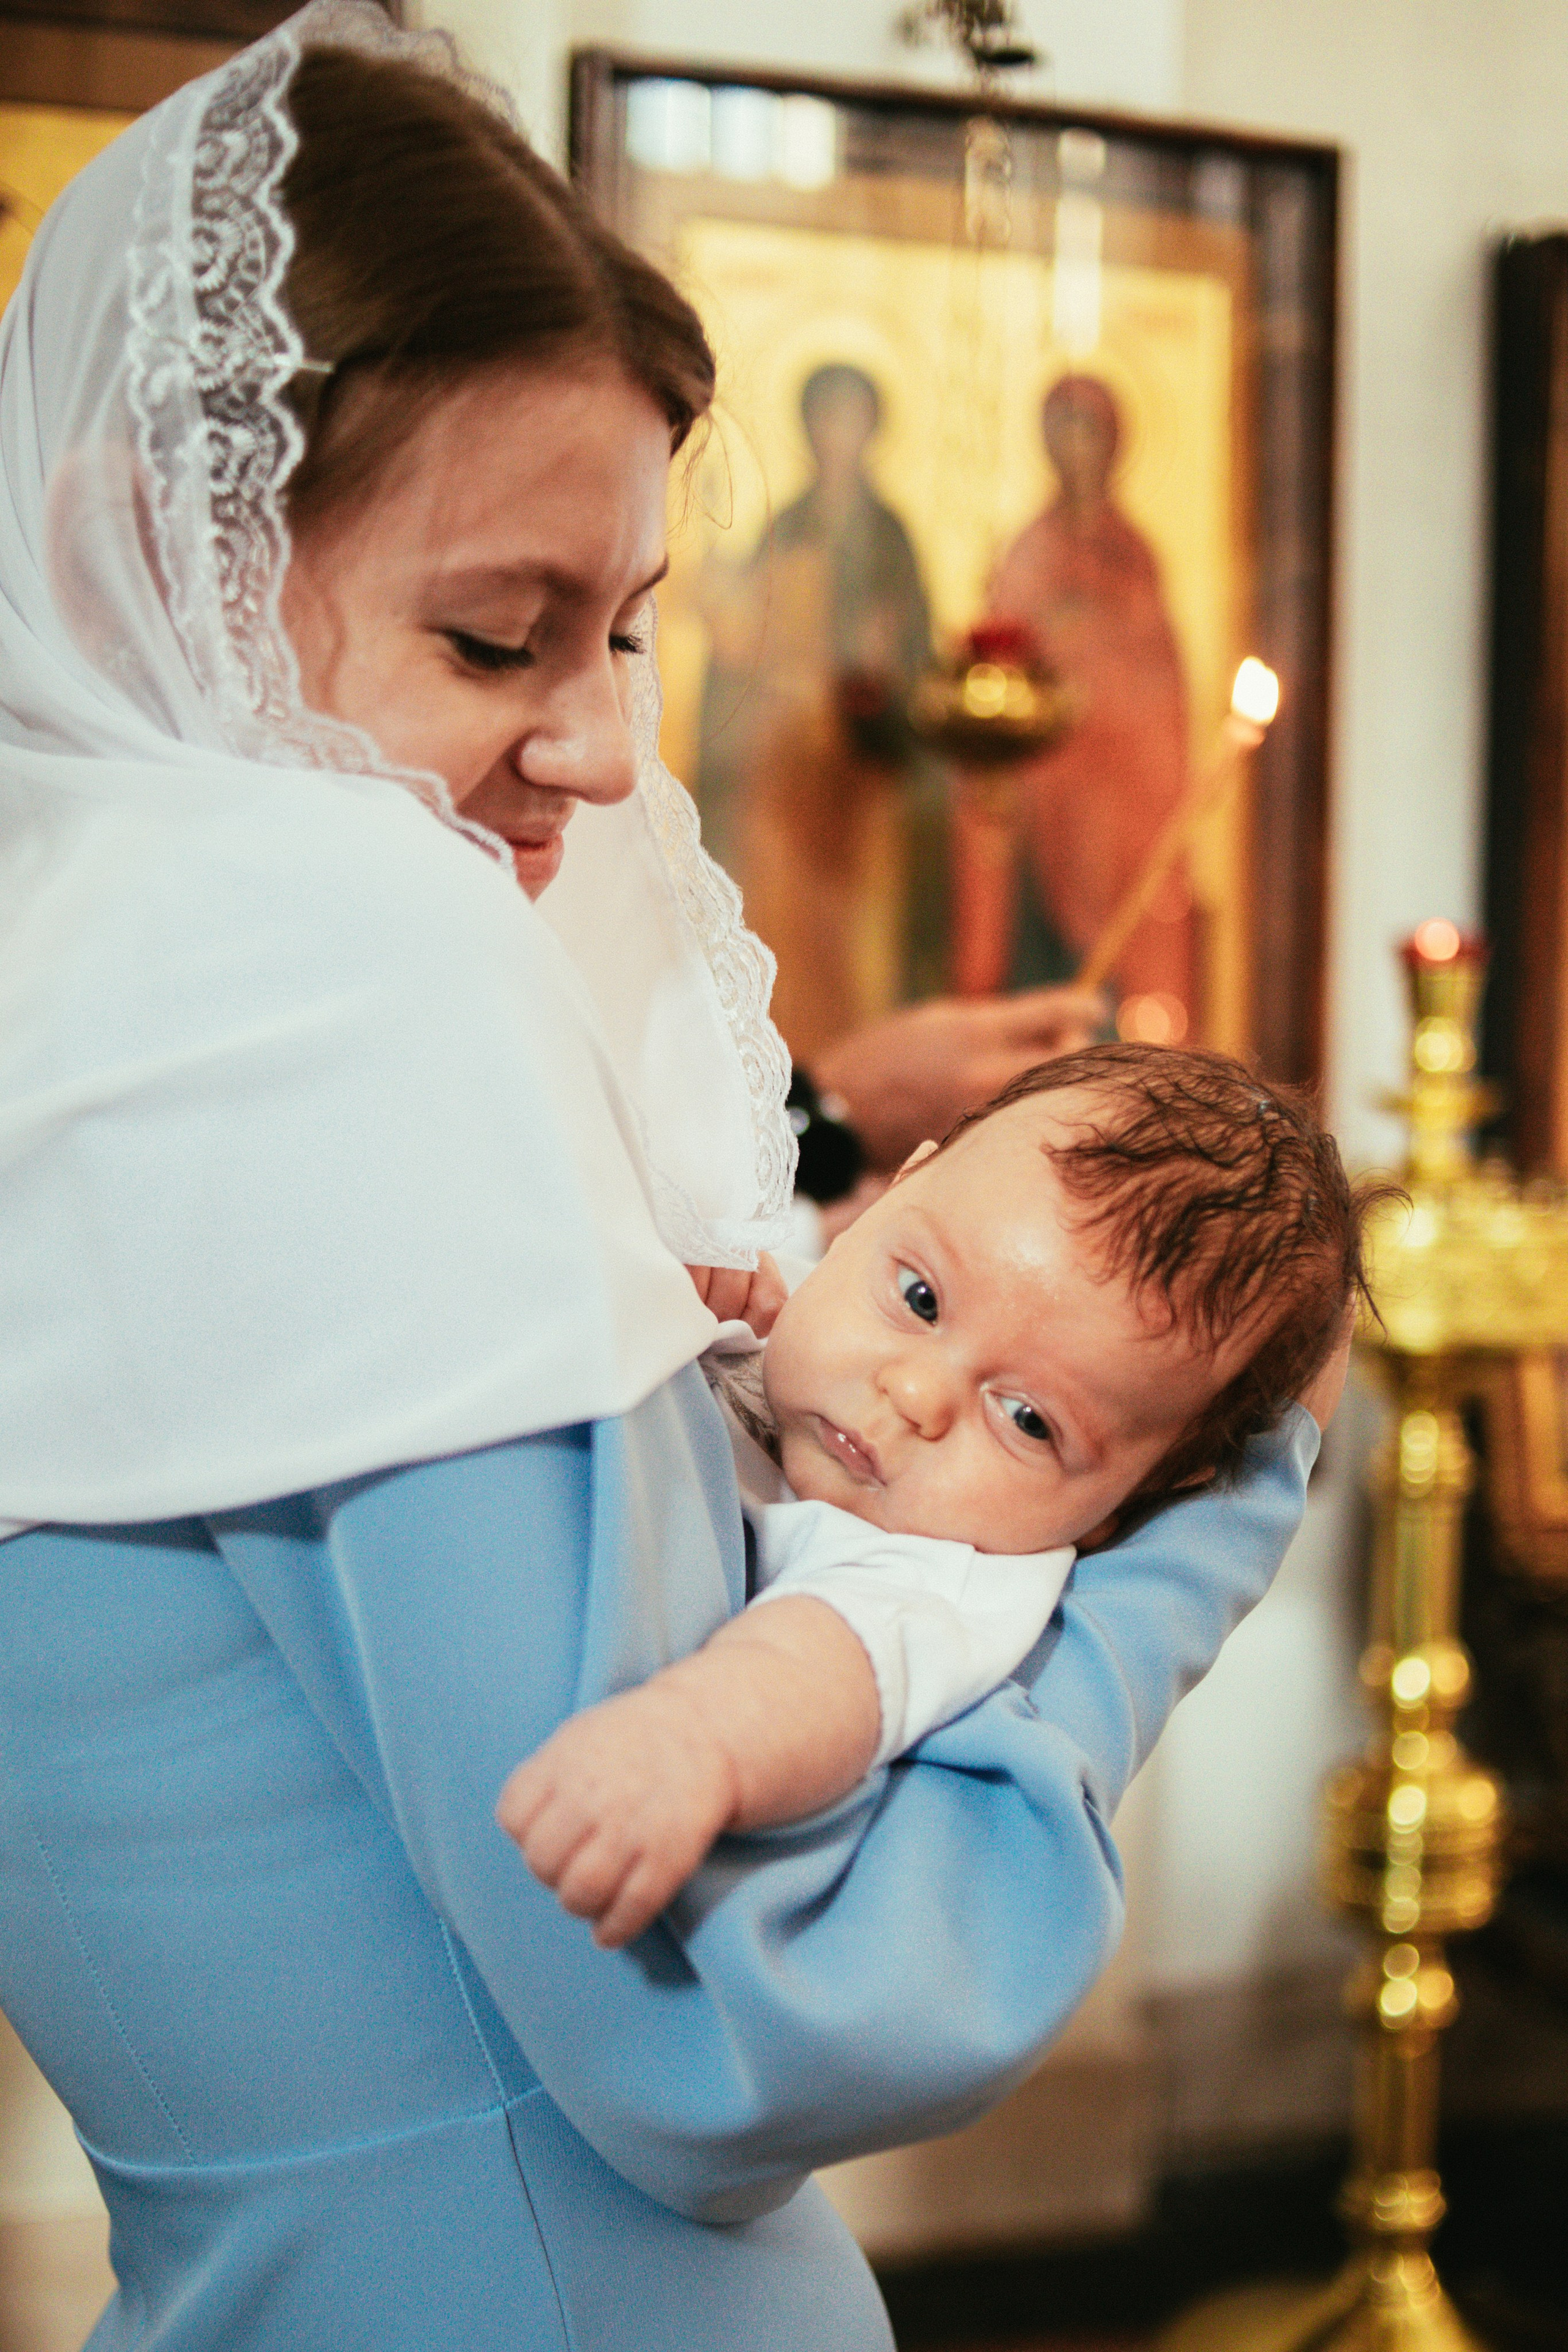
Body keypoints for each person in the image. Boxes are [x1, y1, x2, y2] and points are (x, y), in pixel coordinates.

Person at [0, 13, 1345, 2350]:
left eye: (623, 630)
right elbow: (719, 2026)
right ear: (162, 535)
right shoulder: (351, 941)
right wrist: (1160, 1557)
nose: (607, 749)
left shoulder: (87, 971)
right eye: (496, 635)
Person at [503, 1044, 1371, 1949]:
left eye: (1029, 1420)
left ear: (1126, 1503)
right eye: (921, 1297)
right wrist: (679, 1271)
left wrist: (689, 1743)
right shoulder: (786, 1300)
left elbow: (815, 1670)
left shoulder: (946, 1577)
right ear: (887, 1199)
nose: (917, 1395)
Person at [698, 362, 936, 1057]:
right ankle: (782, 1064)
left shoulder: (890, 535)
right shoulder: (788, 523)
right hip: (783, 771)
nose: (839, 433)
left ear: (872, 429)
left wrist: (884, 671)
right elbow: (738, 649)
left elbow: (915, 653)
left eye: (852, 417)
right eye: (826, 417)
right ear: (808, 428)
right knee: (784, 935)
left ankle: (861, 1064)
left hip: (861, 778)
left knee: (858, 944)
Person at [951, 373, 1196, 1030]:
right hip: (1043, 792)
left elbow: (1160, 688)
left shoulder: (1134, 556)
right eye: (1061, 431)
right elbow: (1005, 657)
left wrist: (1096, 649)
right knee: (1040, 961)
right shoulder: (1029, 548)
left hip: (1120, 799)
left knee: (1114, 964)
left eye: (1087, 430)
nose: (1075, 447)